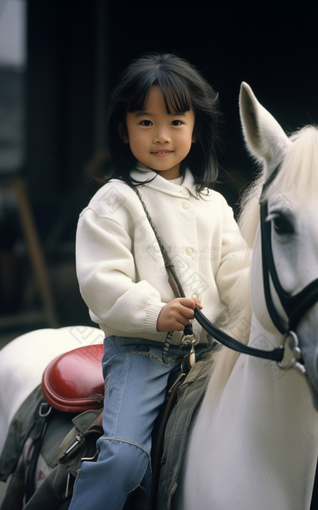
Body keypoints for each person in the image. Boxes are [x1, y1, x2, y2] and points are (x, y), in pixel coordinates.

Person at [69, 53, 246, 510]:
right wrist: (155, 313)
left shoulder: (214, 204)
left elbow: (238, 275)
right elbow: (100, 281)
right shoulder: (114, 201)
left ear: (195, 126)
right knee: (125, 459)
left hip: (209, 354)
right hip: (141, 353)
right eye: (145, 121)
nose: (162, 136)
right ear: (124, 128)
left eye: (175, 121)